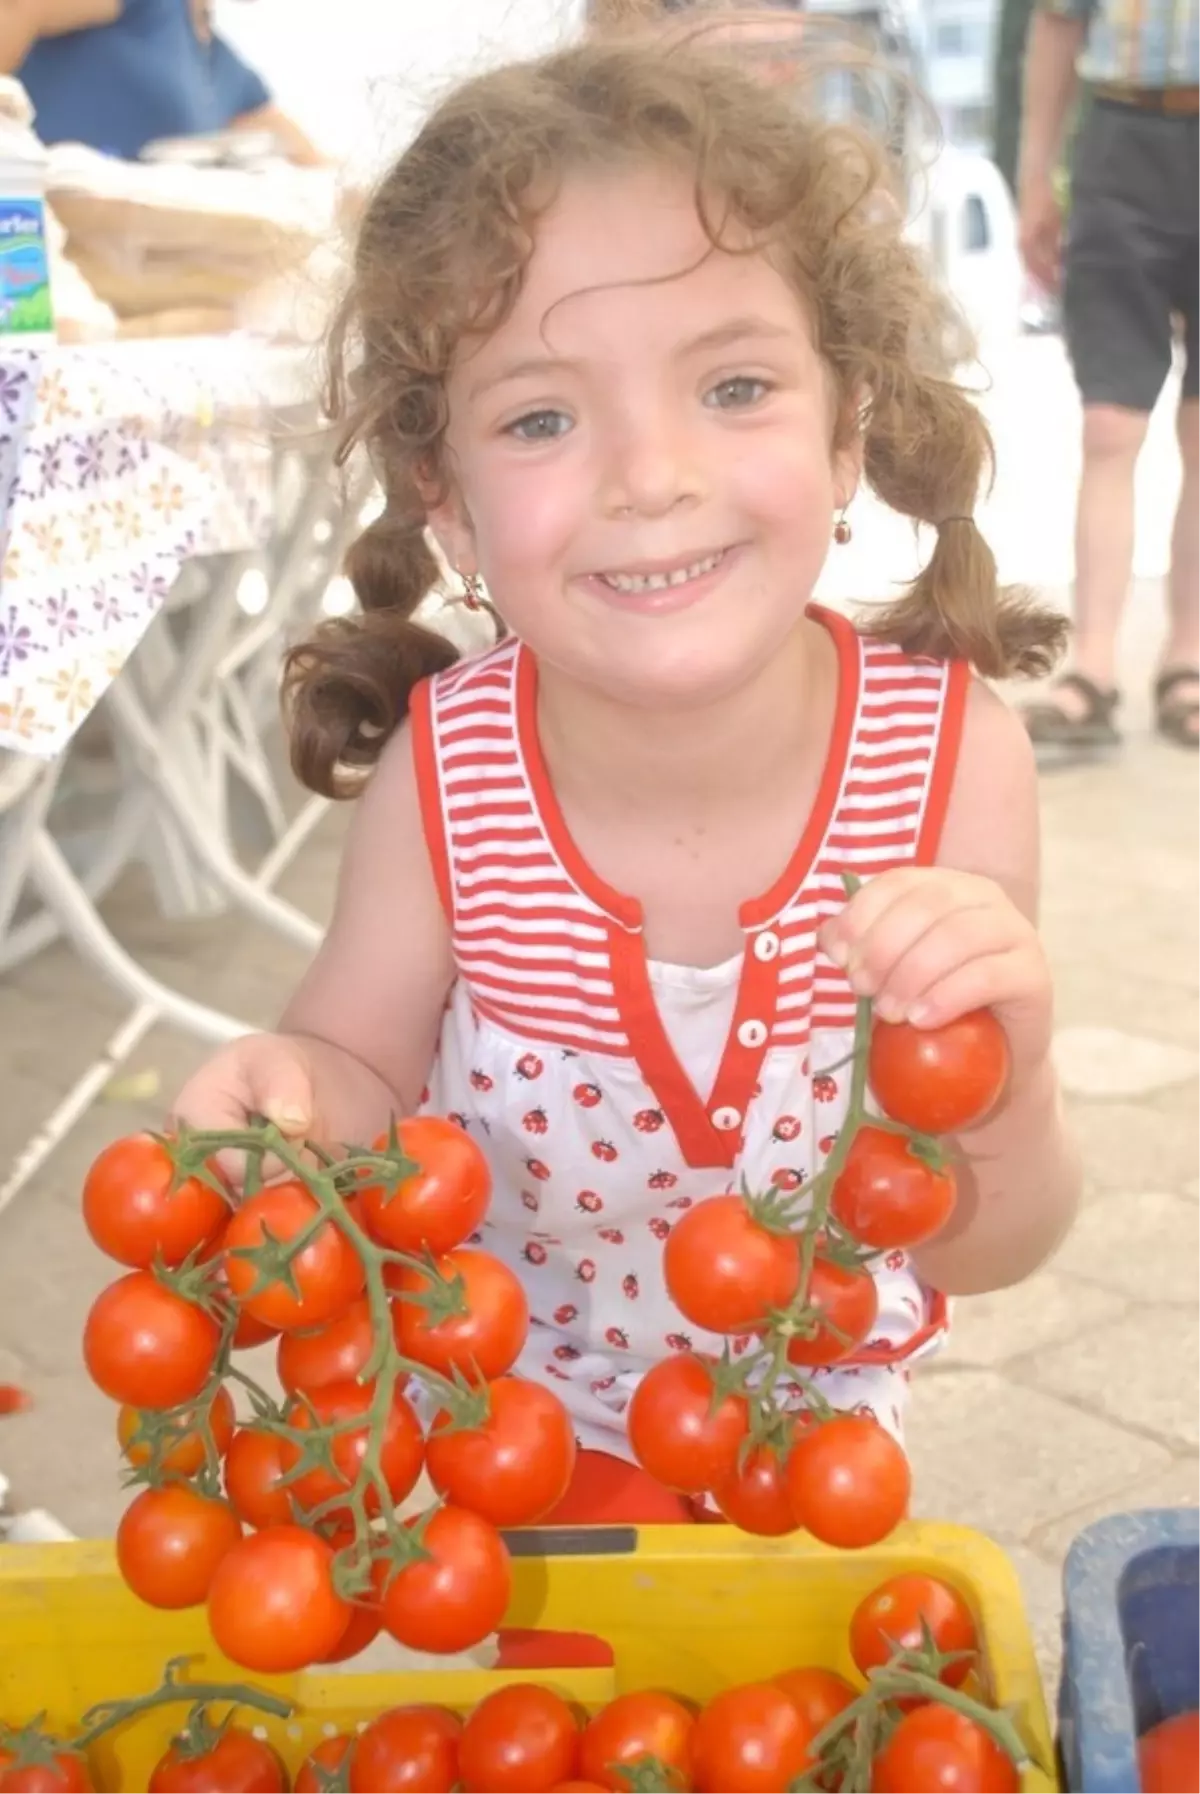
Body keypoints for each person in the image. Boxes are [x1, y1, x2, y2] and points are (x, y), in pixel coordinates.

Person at [173, 7, 1080, 1612]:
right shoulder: (447, 777)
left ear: (849, 426)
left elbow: (984, 1244)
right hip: (495, 1440)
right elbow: (355, 1079)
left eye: (734, 384)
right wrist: (283, 1095)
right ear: (444, 497)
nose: (650, 471)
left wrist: (1012, 1080)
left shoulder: (953, 760)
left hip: (817, 1466)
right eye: (541, 416)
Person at [1017, 0, 1200, 754]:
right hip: (1120, 145)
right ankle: (1093, 665)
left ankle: (1188, 659)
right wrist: (1034, 177)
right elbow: (1058, 24)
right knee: (1109, 424)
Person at [8, 0, 324, 165]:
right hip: (20, 249)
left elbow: (318, 170)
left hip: (117, 278)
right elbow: (19, 5)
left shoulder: (227, 70)